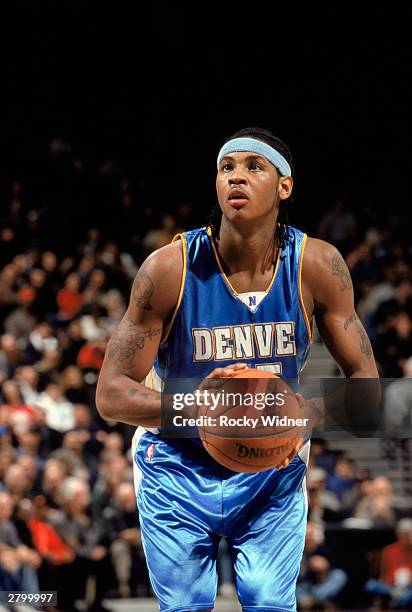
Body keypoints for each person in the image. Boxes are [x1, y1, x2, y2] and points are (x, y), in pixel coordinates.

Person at [96, 127, 379, 612]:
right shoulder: (170, 268)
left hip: (271, 464)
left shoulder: (317, 265)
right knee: (185, 606)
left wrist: (295, 415)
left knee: (269, 600)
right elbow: (111, 396)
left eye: (254, 167)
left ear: (283, 186)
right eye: (227, 167)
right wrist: (203, 411)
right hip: (176, 462)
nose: (237, 178)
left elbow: (368, 392)